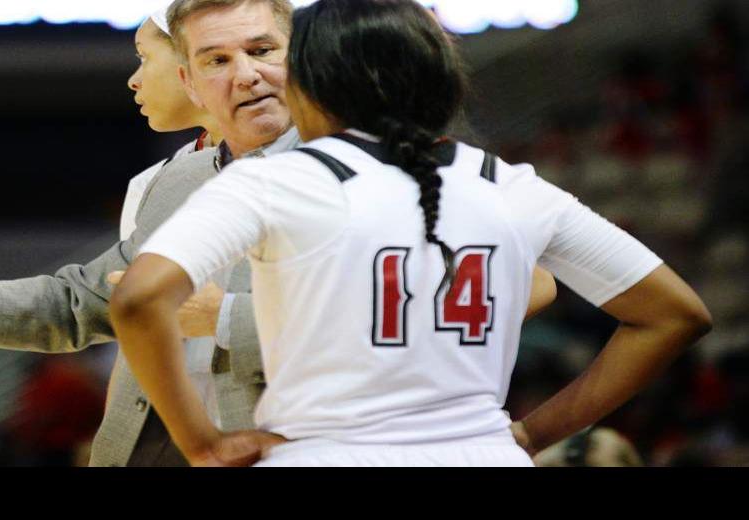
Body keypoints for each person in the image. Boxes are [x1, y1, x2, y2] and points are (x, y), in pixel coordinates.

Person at [0, 0, 555, 466]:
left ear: (302, 59)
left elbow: (519, 289)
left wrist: (235, 320)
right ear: (194, 75)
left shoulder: (387, 163)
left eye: (262, 51)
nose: (244, 75)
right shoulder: (180, 179)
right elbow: (77, 303)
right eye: (216, 60)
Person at [110, 0, 712, 466]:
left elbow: (138, 299)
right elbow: (675, 314)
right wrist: (532, 431)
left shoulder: (277, 181)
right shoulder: (511, 184)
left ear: (308, 83)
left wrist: (203, 444)